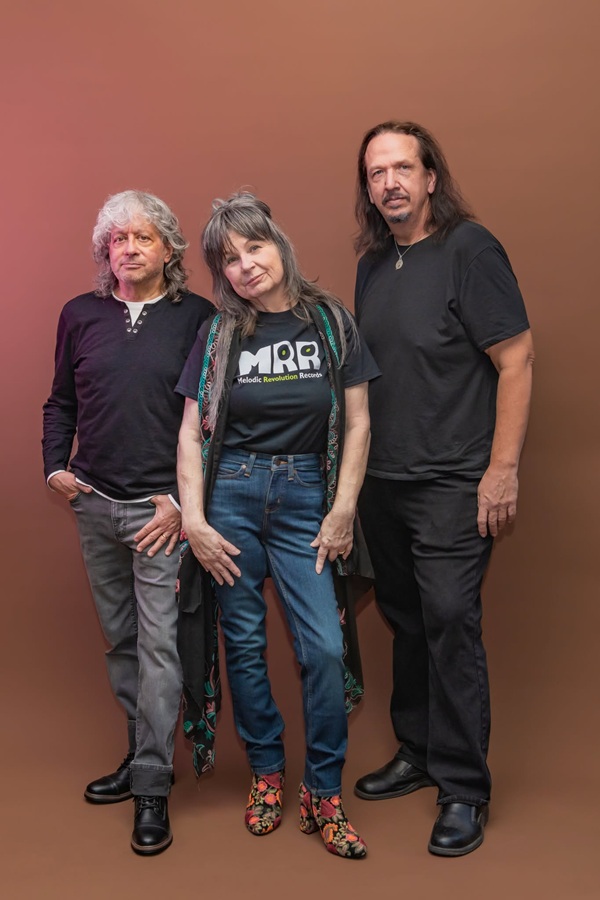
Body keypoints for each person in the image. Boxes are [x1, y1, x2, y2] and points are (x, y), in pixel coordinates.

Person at [176, 192, 379, 859]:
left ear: (279, 244)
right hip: (231, 497)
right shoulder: (219, 335)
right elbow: (190, 432)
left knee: (322, 648)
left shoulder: (330, 322)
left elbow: (358, 422)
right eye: (229, 259)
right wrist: (195, 520)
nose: (245, 265)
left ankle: (323, 788)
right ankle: (266, 770)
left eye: (254, 247)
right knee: (242, 644)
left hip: (306, 499)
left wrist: (342, 508)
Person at [352, 121, 534, 856]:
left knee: (451, 619)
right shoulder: (373, 264)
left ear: (431, 178)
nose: (390, 182)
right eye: (376, 173)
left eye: (403, 167)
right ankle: (419, 750)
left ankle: (463, 787)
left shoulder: (470, 249)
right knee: (408, 619)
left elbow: (516, 359)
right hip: (383, 482)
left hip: (455, 482)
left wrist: (502, 469)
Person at [42, 190, 212, 855]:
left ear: (169, 249)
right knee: (121, 640)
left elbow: (214, 417)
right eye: (118, 239)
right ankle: (142, 752)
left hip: (161, 513)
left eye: (144, 237)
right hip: (94, 504)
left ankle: (151, 786)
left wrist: (182, 501)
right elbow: (60, 401)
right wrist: (55, 467)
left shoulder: (197, 317)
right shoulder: (79, 315)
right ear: (104, 252)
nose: (130, 249)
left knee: (160, 644)